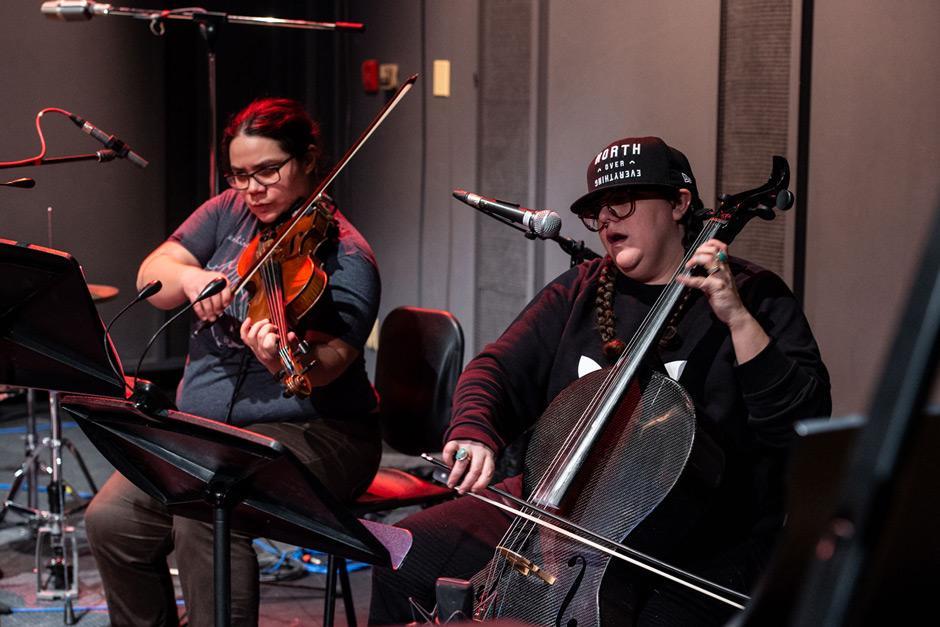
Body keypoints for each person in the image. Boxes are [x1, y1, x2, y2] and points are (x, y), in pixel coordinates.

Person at [369, 136, 831, 625]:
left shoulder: (754, 295)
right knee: (405, 555)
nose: (607, 219)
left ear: (679, 204)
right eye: (598, 210)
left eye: (623, 204)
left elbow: (800, 422)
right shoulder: (581, 290)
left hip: (703, 531)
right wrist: (473, 431)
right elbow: (498, 370)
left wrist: (736, 319)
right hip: (561, 508)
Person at [85, 98, 383, 627]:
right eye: (241, 174)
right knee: (112, 518)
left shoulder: (347, 256)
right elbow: (154, 273)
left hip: (319, 432)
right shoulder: (228, 211)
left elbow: (327, 364)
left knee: (207, 506)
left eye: (268, 171)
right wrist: (191, 279)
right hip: (204, 431)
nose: (253, 189)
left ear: (309, 159)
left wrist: (280, 359)